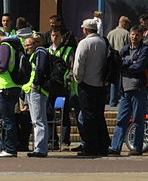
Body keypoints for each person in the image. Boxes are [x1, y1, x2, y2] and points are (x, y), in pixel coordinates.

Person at [72, 18, 109, 156]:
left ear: (85, 30)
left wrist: (78, 79)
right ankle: (103, 145)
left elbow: (78, 65)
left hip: (87, 83)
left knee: (88, 117)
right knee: (99, 115)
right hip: (100, 84)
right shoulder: (103, 42)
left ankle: (91, 146)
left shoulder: (84, 43)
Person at [108, 26, 147, 156]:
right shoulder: (124, 49)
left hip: (138, 89)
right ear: (129, 35)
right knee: (121, 119)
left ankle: (136, 147)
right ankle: (115, 147)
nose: (134, 37)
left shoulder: (144, 50)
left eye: (137, 35)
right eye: (132, 34)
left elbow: (139, 66)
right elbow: (117, 64)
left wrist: (126, 63)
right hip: (124, 90)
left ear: (141, 36)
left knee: (138, 120)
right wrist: (129, 61)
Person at [0, 33, 24, 157]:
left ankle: (9, 148)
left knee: (7, 119)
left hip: (6, 85)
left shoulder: (5, 45)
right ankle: (9, 147)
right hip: (14, 85)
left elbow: (2, 66)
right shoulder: (14, 45)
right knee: (10, 118)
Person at [47, 26, 77, 150]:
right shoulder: (47, 50)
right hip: (49, 86)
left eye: (57, 35)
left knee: (64, 115)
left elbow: (72, 66)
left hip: (63, 86)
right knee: (49, 113)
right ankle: (52, 141)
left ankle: (65, 141)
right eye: (53, 35)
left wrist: (67, 79)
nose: (54, 37)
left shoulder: (68, 50)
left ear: (62, 37)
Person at [22, 34, 50, 157]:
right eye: (25, 45)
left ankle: (41, 149)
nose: (27, 47)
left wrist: (36, 84)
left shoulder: (40, 52)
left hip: (37, 90)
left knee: (39, 120)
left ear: (35, 44)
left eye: (29, 45)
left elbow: (40, 69)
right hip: (31, 90)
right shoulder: (33, 55)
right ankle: (38, 148)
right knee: (35, 120)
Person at [106, 16, 131, 106]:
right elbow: (129, 48)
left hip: (112, 60)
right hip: (121, 60)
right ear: (124, 23)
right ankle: (121, 100)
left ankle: (112, 101)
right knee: (122, 81)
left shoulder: (110, 33)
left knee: (113, 81)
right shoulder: (126, 34)